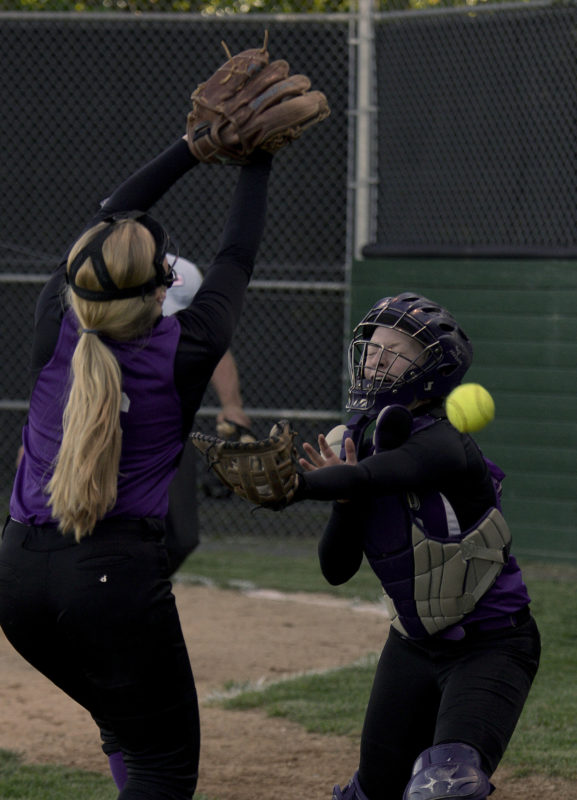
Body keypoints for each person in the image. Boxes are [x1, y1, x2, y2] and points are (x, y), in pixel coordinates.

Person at [0, 129, 273, 800]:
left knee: (125, 728)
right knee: (163, 769)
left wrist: (191, 146)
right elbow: (237, 254)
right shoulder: (188, 347)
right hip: (112, 578)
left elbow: (112, 212)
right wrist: (258, 158)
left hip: (17, 574)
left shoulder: (55, 319)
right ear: (163, 291)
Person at [293, 293, 541, 800]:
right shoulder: (360, 444)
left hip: (489, 644)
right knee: (373, 792)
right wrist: (343, 502)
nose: (375, 359)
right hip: (410, 645)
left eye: (395, 350)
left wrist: (295, 487)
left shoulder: (445, 443)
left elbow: (379, 474)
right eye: (372, 347)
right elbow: (335, 568)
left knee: (444, 786)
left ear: (432, 371)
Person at [162, 255, 253, 573]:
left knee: (181, 537)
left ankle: (139, 590)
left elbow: (211, 343)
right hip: (109, 421)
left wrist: (232, 405)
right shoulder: (100, 260)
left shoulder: (183, 272)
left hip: (170, 425)